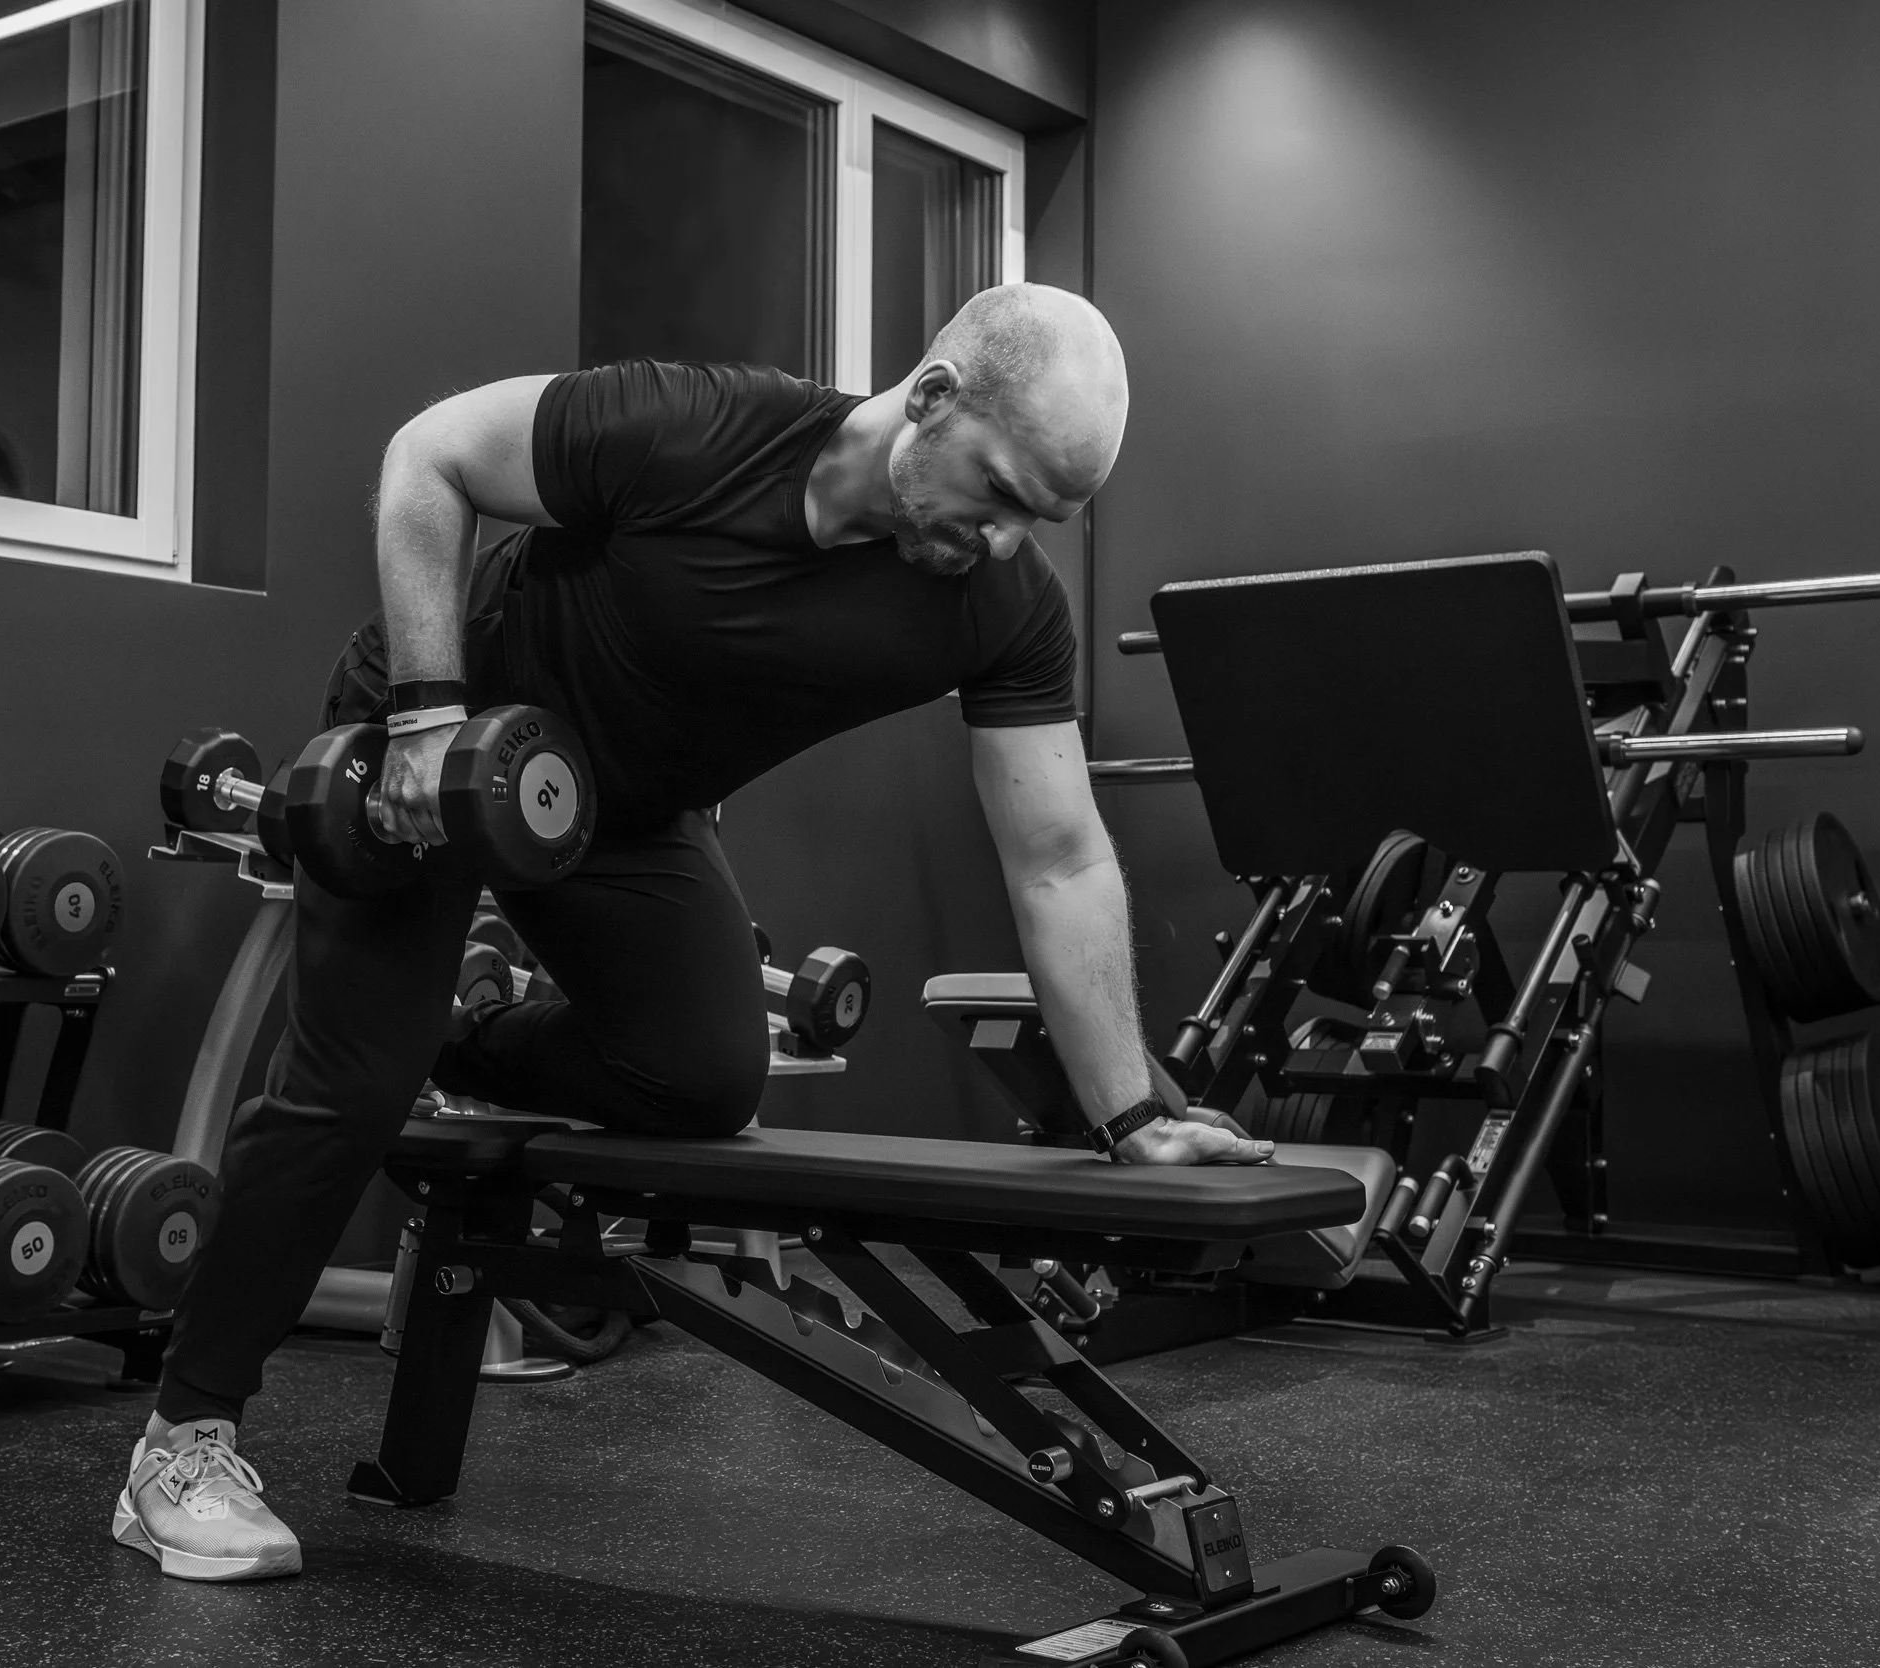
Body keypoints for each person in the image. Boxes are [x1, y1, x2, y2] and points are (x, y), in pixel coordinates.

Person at [109, 283, 1273, 1581]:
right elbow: (431, 455)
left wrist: (1131, 1114)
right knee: (349, 1084)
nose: (1009, 541)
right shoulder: (700, 430)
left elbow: (1057, 860)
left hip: (620, 809)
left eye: (1046, 521)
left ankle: (465, 1030)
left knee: (706, 1078)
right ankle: (183, 1442)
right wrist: (429, 716)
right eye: (1001, 493)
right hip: (447, 741)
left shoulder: (1003, 608)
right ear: (934, 399)